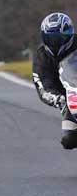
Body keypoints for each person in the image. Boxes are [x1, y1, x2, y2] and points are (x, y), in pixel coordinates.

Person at [33, 12, 77, 149]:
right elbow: (43, 86)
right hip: (68, 98)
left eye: (59, 39)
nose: (55, 43)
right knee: (68, 140)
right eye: (50, 39)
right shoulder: (42, 58)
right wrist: (59, 100)